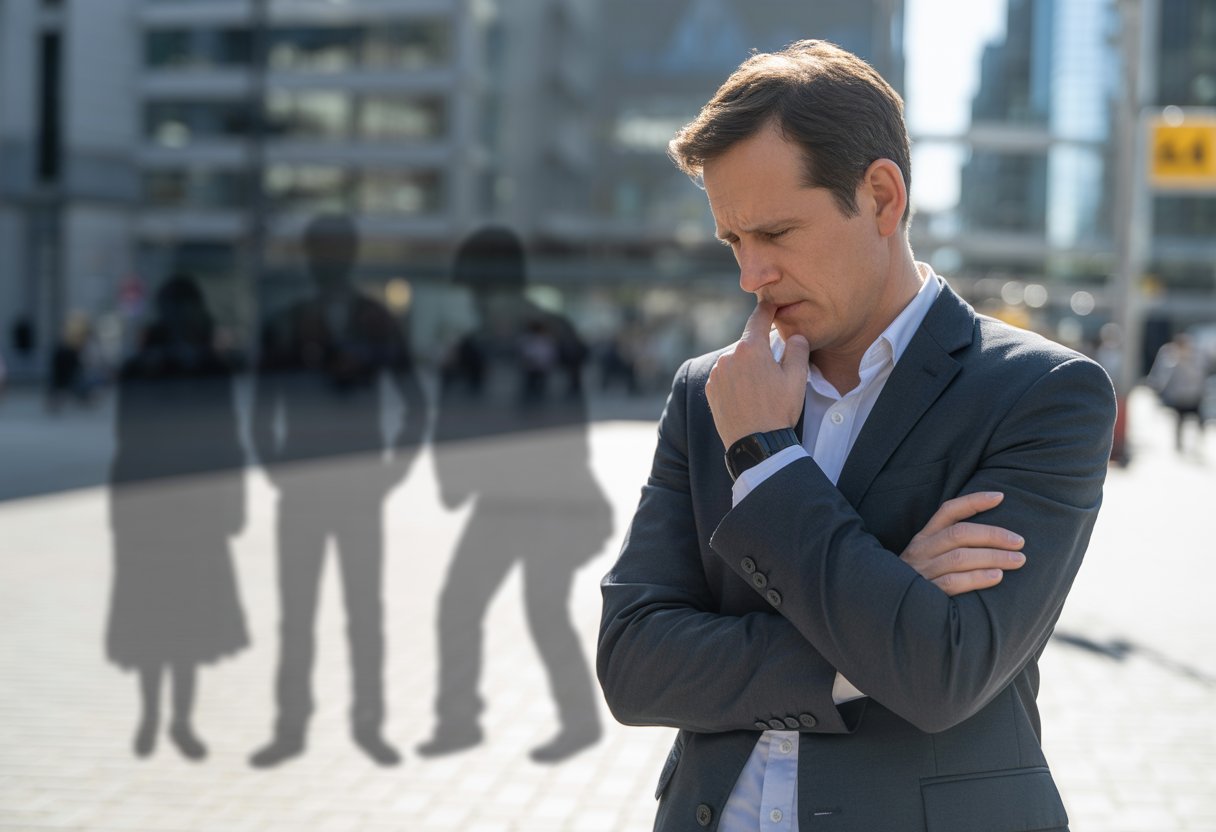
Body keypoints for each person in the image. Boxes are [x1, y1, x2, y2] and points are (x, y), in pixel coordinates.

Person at [597, 41, 1116, 832]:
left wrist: (765, 461)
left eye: (776, 232)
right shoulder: (708, 391)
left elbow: (943, 672)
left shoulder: (1044, 395)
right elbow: (633, 664)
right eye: (734, 242)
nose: (751, 275)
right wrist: (882, 617)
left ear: (881, 197)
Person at [420, 227, 611, 763]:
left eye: (485, 290)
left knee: (542, 607)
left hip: (550, 498)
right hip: (502, 498)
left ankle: (576, 721)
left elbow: (564, 411)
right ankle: (459, 719)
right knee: (460, 605)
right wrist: (451, 476)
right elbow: (452, 412)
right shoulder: (475, 344)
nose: (479, 302)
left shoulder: (548, 333)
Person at [249, 214, 426, 767]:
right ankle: (290, 725)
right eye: (320, 251)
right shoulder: (286, 322)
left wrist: (392, 471)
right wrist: (276, 466)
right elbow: (261, 404)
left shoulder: (377, 321)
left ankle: (368, 725)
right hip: (302, 485)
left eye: (336, 251)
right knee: (296, 610)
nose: (328, 261)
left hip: (358, 487)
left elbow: (414, 402)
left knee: (362, 608)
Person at [106, 275, 248, 760]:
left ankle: (154, 718)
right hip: (193, 507)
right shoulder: (211, 367)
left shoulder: (139, 367)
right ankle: (178, 722)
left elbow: (124, 441)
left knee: (152, 613)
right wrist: (234, 504)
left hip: (148, 505)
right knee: (187, 617)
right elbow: (228, 442)